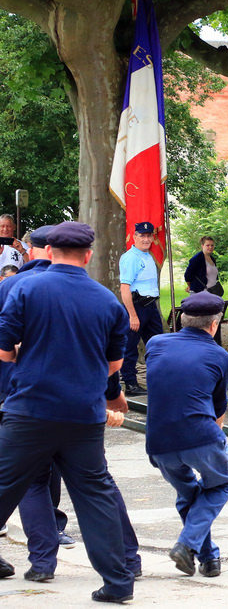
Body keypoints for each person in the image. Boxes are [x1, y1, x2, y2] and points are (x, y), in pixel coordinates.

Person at [0, 221, 136, 603]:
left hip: (30, 410)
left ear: (48, 253)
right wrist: (111, 397)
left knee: (4, 485)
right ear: (88, 255)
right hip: (83, 415)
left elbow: (4, 347)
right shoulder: (107, 300)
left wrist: (18, 373)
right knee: (95, 496)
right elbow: (114, 364)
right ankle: (118, 582)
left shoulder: (26, 287)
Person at [145, 291, 228, 578]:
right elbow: (218, 409)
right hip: (199, 433)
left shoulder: (155, 344)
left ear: (181, 319)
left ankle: (208, 558)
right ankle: (186, 543)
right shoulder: (220, 356)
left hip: (158, 440)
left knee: (190, 494)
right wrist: (216, 442)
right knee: (222, 483)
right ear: (214, 325)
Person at [118, 221, 163, 396]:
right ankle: (130, 384)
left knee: (157, 345)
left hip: (150, 307)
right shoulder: (131, 258)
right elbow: (125, 288)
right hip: (136, 307)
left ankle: (158, 380)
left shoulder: (147, 255)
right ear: (134, 237)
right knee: (130, 347)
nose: (146, 239)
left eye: (148, 236)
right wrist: (132, 315)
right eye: (142, 236)